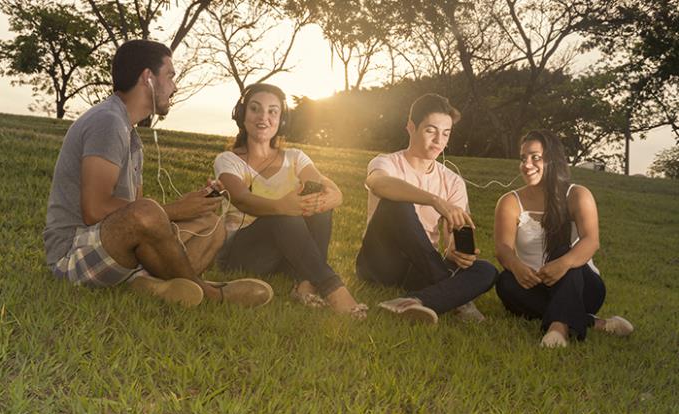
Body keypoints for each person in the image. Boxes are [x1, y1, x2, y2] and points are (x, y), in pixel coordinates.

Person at [43, 39, 272, 308]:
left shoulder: (131, 136)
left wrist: (191, 205)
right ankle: (211, 294)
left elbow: (134, 213)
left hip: (116, 247)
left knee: (211, 225)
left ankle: (147, 283)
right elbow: (95, 210)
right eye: (171, 76)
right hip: (74, 253)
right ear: (148, 78)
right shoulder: (107, 122)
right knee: (149, 211)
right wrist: (174, 209)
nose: (175, 87)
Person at [214, 83, 367, 318]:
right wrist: (282, 206)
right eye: (255, 109)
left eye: (273, 111)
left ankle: (305, 284)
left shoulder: (295, 157)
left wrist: (334, 195)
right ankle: (334, 290)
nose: (263, 117)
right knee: (282, 218)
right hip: (243, 254)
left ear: (282, 120)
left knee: (319, 204)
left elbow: (326, 189)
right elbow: (242, 199)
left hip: (287, 252)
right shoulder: (228, 160)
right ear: (242, 114)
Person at [355, 93, 498, 324]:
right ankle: (456, 298)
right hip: (381, 263)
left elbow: (451, 237)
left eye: (446, 133)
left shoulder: (453, 182)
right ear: (411, 127)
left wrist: (455, 251)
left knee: (487, 271)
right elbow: (378, 183)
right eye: (431, 131)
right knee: (396, 204)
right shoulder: (386, 162)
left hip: (421, 267)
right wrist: (434, 200)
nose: (438, 141)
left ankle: (411, 302)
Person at [494, 130, 634, 347]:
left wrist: (563, 264)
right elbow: (503, 247)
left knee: (561, 252)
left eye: (535, 157)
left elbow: (591, 241)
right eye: (523, 158)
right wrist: (516, 266)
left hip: (580, 285)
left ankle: (558, 328)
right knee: (504, 282)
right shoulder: (510, 201)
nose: (527, 164)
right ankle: (595, 323)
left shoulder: (577, 195)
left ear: (553, 160)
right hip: (534, 284)